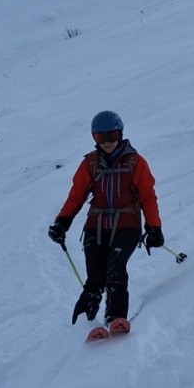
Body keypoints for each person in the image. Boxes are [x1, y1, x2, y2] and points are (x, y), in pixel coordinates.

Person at [49, 111, 164, 331]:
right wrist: (62, 222)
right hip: (96, 227)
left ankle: (115, 318)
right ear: (94, 138)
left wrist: (154, 227)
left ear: (120, 133)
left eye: (112, 135)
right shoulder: (90, 164)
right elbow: (76, 196)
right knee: (95, 278)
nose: (108, 142)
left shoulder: (135, 162)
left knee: (115, 268)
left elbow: (148, 197)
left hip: (127, 226)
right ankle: (82, 327)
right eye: (101, 137)